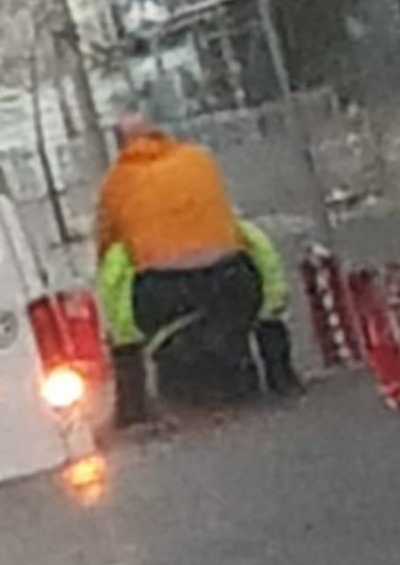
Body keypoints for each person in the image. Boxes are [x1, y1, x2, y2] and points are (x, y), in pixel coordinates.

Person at [96, 115, 300, 425]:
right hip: (233, 280)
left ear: (120, 145)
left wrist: (121, 329)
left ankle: (131, 406)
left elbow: (105, 242)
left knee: (116, 261)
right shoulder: (200, 159)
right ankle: (282, 376)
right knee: (251, 271)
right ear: (161, 133)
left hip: (163, 295)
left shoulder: (117, 182)